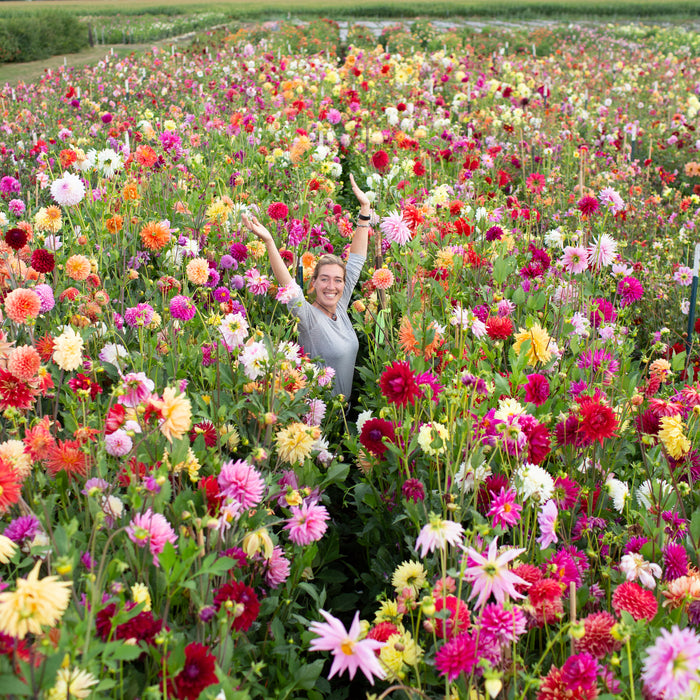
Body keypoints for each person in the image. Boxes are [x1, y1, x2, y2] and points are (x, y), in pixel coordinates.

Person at [241, 174, 371, 400]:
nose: (332, 286)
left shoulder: (339, 307)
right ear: (313, 283)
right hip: (318, 417)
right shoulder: (308, 317)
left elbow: (357, 259)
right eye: (324, 279)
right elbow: (288, 285)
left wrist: (365, 209)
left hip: (343, 415)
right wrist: (270, 242)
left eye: (338, 280)